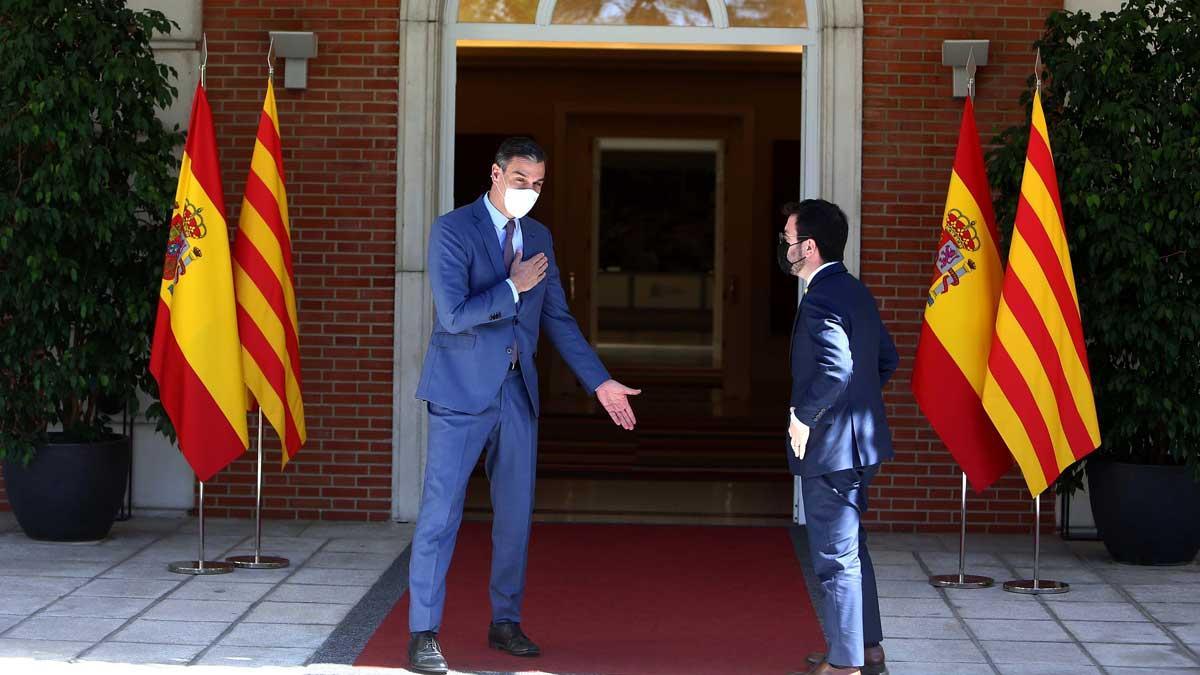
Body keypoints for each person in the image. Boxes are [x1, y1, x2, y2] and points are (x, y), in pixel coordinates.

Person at [407, 137, 642, 674]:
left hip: (518, 392)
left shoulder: (538, 236)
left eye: (538, 185)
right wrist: (511, 288)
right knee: (440, 517)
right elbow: (453, 315)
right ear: (495, 174)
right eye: (520, 182)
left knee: (514, 518)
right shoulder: (452, 229)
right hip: (459, 394)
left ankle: (505, 621)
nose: (529, 193)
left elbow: (557, 317)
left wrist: (599, 382)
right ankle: (423, 632)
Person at [779, 199, 898, 675]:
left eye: (788, 240)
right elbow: (884, 360)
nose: (785, 248)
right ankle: (867, 648)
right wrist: (853, 408)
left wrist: (807, 417)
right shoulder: (853, 290)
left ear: (808, 246)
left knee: (834, 555)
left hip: (830, 449)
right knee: (852, 547)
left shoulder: (821, 298)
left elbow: (837, 369)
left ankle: (846, 663)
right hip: (859, 445)